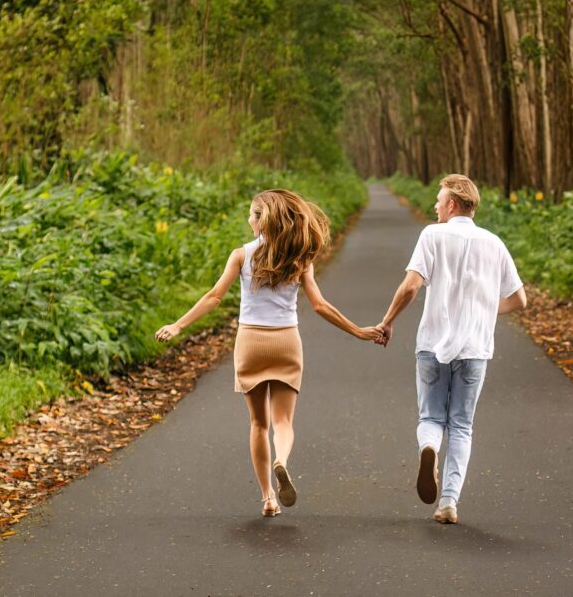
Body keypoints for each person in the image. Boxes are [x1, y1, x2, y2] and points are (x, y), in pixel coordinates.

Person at [156, 188, 382, 517]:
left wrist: (178, 325)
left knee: (258, 424)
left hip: (250, 342)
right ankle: (282, 460)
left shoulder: (241, 255)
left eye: (252, 214)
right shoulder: (300, 257)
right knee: (283, 421)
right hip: (286, 341)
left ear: (262, 221)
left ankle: (267, 498)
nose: (248, 219)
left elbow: (214, 297)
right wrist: (358, 331)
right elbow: (319, 305)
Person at [373, 174, 526, 524]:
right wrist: (486, 312)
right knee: (461, 425)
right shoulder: (494, 243)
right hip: (475, 349)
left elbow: (411, 286)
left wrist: (388, 321)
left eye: (439, 201)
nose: (435, 207)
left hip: (432, 345)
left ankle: (429, 448)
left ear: (453, 205)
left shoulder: (432, 235)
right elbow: (519, 300)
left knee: (430, 418)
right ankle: (449, 503)